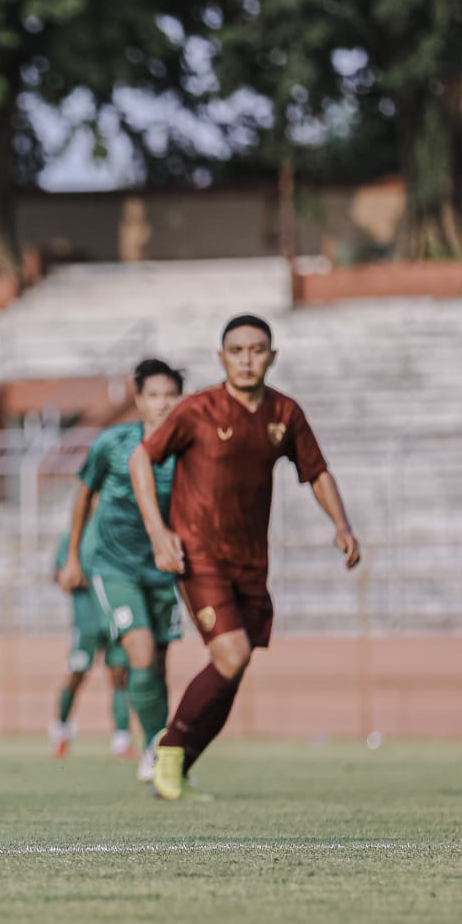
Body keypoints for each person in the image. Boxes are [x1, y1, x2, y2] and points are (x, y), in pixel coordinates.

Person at [129, 315, 360, 800]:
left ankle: (179, 765)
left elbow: (316, 471)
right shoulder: (198, 410)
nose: (247, 359)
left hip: (251, 563)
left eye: (257, 350)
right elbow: (141, 458)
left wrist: (340, 524)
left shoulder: (284, 413)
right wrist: (159, 532)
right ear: (222, 358)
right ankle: (166, 749)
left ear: (271, 356)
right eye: (237, 350)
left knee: (234, 667)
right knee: (230, 655)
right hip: (198, 555)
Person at [58, 358, 185, 779]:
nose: (162, 404)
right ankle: (151, 748)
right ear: (139, 399)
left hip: (165, 571)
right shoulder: (113, 444)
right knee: (141, 653)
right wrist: (74, 555)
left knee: (160, 664)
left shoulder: (187, 451)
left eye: (170, 395)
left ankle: (162, 750)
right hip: (114, 569)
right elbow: (82, 497)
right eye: (154, 395)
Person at [49, 495, 130, 761]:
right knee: (77, 673)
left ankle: (122, 741)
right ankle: (61, 731)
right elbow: (58, 573)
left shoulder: (117, 533)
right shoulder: (74, 536)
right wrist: (69, 576)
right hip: (87, 620)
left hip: (115, 616)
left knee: (119, 675)